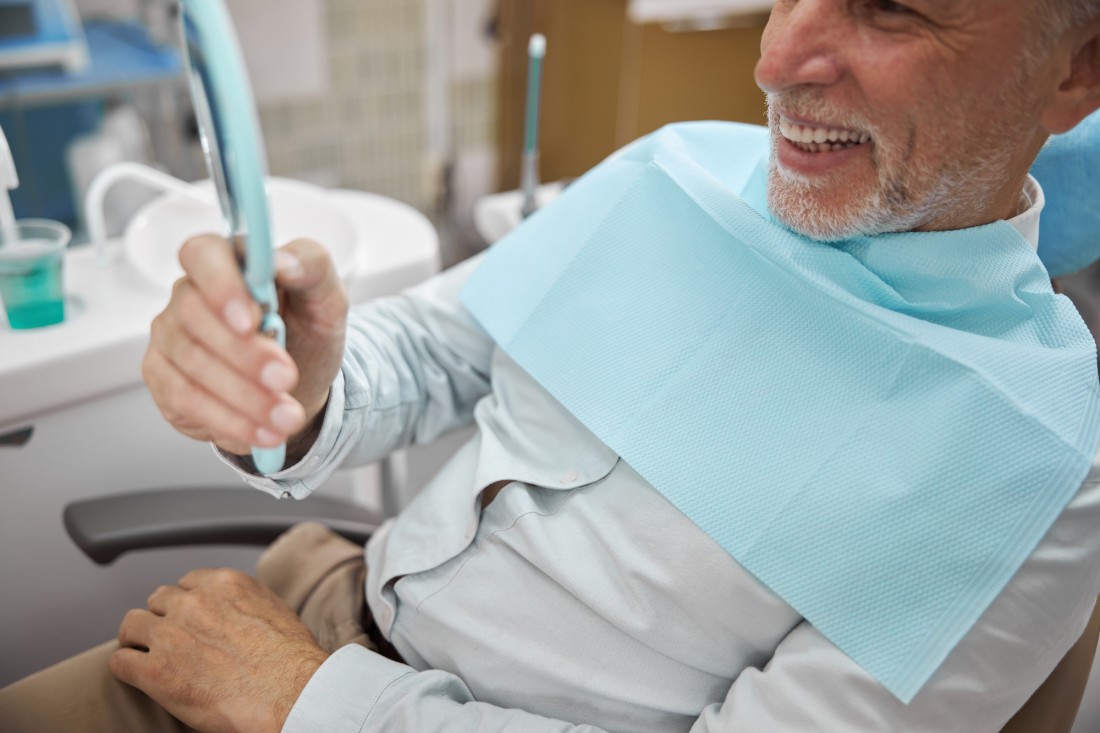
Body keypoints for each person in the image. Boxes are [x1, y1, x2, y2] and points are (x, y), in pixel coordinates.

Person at [5, 0, 1100, 731]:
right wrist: (297, 386)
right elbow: (433, 354)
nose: (774, 61)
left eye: (890, 3)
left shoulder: (1030, 458)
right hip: (310, 614)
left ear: (1076, 68)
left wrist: (309, 701)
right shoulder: (672, 172)